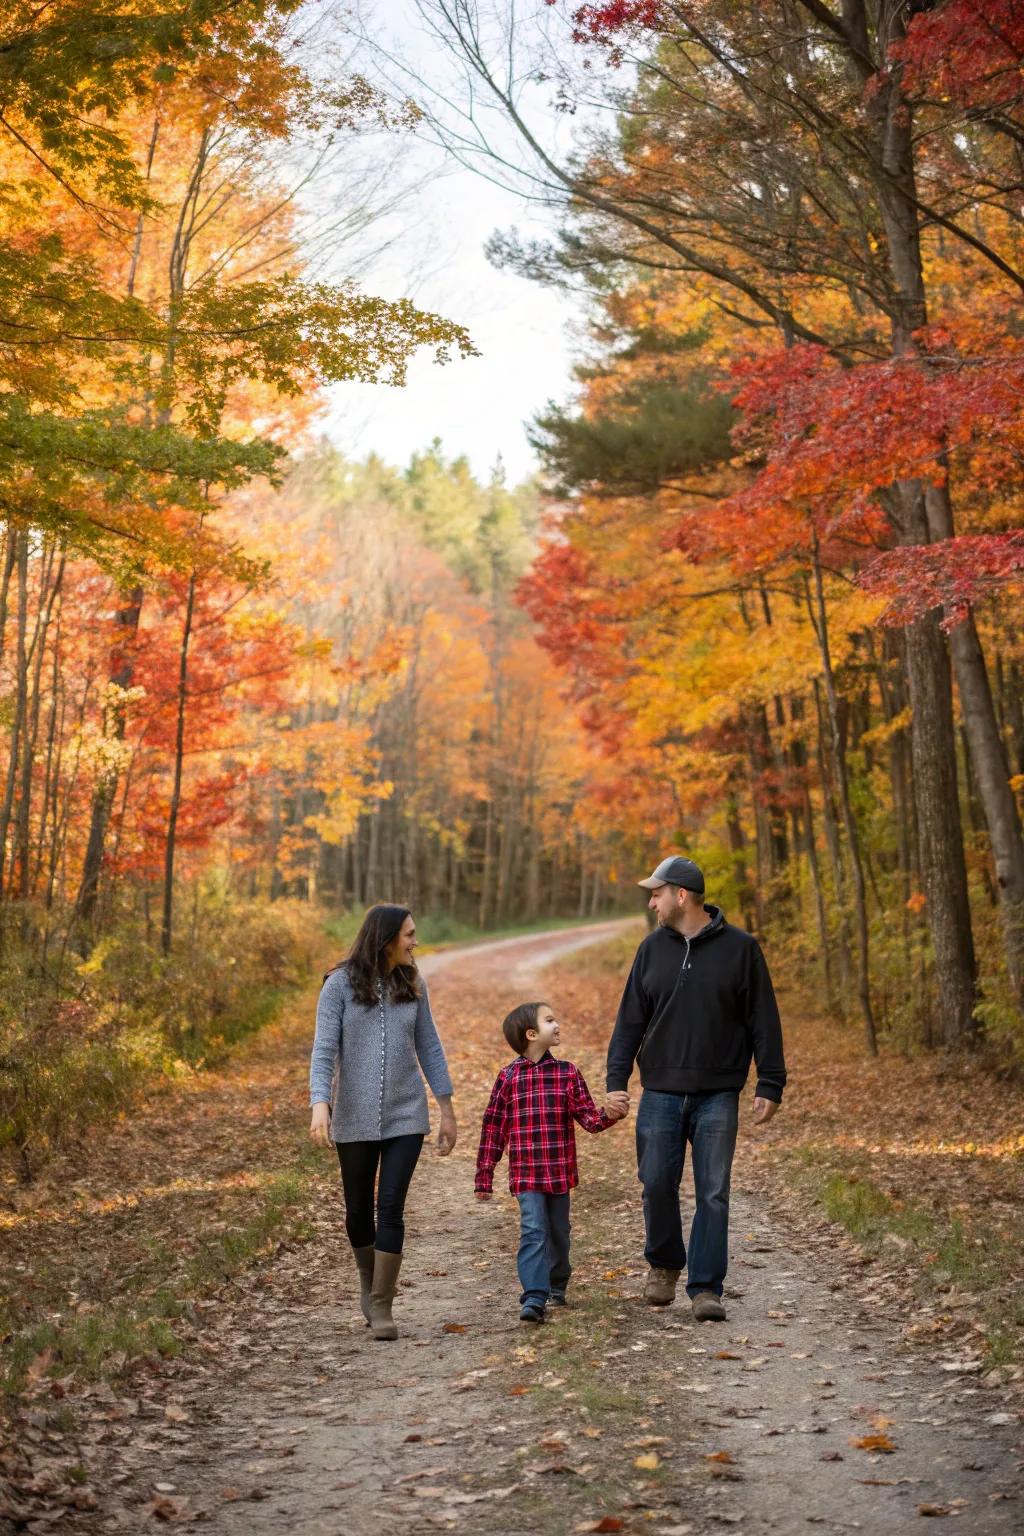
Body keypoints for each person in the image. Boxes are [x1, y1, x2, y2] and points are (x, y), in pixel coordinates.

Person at [605, 855, 787, 1322]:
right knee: (656, 1184)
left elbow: (763, 1019)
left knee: (713, 1192)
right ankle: (664, 1265)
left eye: (656, 893)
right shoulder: (651, 950)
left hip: (718, 1094)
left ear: (680, 895)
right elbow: (630, 1020)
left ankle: (706, 1287)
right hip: (661, 1092)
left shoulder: (741, 949)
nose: (651, 901)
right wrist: (616, 1081)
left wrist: (770, 1080)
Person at [309, 903, 457, 1342]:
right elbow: (323, 1050)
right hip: (352, 1115)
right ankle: (367, 1282)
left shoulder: (413, 983)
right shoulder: (337, 986)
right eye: (409, 934)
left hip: (406, 1114)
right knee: (358, 1210)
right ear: (387, 937)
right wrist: (321, 1103)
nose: (415, 942)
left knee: (390, 1205)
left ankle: (382, 1302)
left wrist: (446, 1109)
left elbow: (430, 1046)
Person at [474, 1000, 629, 1323]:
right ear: (531, 1034)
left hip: (558, 1172)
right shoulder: (508, 1078)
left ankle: (557, 1283)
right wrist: (484, 1176)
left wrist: (610, 1115)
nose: (557, 1025)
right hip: (526, 1175)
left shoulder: (567, 1073)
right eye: (549, 1020)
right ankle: (534, 1296)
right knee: (533, 1230)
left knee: (559, 1231)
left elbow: (588, 1119)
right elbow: (493, 1128)